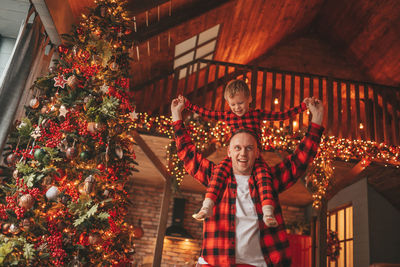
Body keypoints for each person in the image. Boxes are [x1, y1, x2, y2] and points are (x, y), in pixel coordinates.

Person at [171, 96, 324, 267]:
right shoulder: (215, 176)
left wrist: (317, 119)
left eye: (249, 148)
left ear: (257, 153)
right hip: (216, 262)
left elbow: (300, 160)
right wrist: (177, 116)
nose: (243, 153)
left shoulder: (268, 179)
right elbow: (188, 153)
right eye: (237, 148)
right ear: (229, 152)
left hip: (260, 263)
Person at [180, 79, 308, 227]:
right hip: (234, 157)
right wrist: (188, 105)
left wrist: (302, 106)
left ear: (249, 99)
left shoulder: (256, 114)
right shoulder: (228, 116)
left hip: (255, 157)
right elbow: (206, 112)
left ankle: (267, 213)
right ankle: (207, 206)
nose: (237, 108)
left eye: (240, 103)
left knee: (264, 176)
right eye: (232, 104)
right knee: (219, 172)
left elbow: (281, 115)